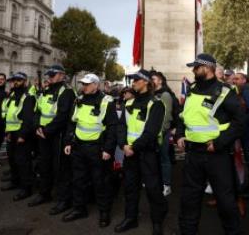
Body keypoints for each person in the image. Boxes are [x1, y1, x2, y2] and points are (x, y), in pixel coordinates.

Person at [176, 53, 245, 235]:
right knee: (189, 199)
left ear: (207, 68)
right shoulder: (191, 89)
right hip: (193, 155)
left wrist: (219, 143)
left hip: (217, 155)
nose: (193, 70)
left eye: (196, 67)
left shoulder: (225, 91)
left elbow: (240, 122)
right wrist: (181, 134)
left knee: (225, 202)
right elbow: (183, 116)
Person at [115, 69, 168, 235]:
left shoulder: (156, 104)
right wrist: (123, 145)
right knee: (130, 188)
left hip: (147, 154)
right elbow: (121, 126)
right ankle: (131, 219)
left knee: (153, 189)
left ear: (145, 82)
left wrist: (133, 148)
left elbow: (151, 132)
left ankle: (157, 222)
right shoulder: (128, 103)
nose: (133, 83)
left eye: (136, 80)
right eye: (132, 80)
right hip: (130, 153)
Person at [63, 73, 118, 227]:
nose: (84, 86)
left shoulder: (107, 102)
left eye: (87, 84)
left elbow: (113, 128)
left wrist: (108, 149)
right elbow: (72, 122)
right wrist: (68, 142)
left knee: (101, 182)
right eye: (83, 84)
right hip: (79, 147)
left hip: (97, 148)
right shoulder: (78, 100)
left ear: (96, 85)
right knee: (78, 180)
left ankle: (104, 212)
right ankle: (79, 209)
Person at [28, 65, 76, 216]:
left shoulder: (67, 92)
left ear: (61, 75)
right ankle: (44, 193)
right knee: (44, 165)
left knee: (61, 168)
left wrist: (46, 130)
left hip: (58, 136)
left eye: (52, 74)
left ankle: (64, 200)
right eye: (48, 74)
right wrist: (37, 126)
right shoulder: (45, 91)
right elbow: (37, 110)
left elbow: (63, 116)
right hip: (43, 135)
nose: (49, 76)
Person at [0, 72, 37, 201]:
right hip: (12, 133)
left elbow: (28, 118)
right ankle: (15, 181)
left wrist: (23, 135)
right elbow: (9, 115)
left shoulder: (28, 97)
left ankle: (26, 188)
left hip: (22, 134)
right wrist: (8, 132)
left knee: (23, 162)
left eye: (18, 80)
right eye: (13, 80)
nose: (15, 82)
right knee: (13, 160)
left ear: (24, 81)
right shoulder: (12, 96)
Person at [151, 71, 177, 197]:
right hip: (152, 133)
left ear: (160, 81)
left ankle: (167, 185)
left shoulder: (165, 95)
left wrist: (161, 132)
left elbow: (166, 116)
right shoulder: (151, 94)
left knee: (164, 159)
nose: (151, 81)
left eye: (154, 79)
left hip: (162, 133)